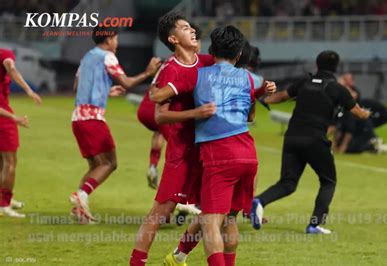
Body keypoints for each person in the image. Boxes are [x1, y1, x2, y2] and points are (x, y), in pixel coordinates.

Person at [130, 12, 217, 266]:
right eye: (184, 27)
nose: (192, 30)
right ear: (172, 38)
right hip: (182, 152)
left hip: (209, 150)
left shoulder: (208, 61)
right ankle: (136, 263)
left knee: (213, 210)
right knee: (161, 211)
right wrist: (196, 113)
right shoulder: (170, 69)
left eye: (191, 27)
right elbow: (160, 116)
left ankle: (179, 255)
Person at [251, 51, 370, 234]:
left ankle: (259, 201)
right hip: (315, 139)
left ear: (317, 64)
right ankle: (314, 224)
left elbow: (282, 96)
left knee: (288, 183)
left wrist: (264, 99)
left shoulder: (304, 82)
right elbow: (358, 113)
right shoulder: (337, 89)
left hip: (292, 137)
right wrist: (366, 113)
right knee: (328, 181)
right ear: (336, 67)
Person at [187, 25, 274, 266]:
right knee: (230, 220)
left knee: (210, 222)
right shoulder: (248, 77)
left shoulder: (199, 74)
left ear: (212, 50)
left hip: (220, 154)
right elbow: (250, 117)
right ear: (239, 56)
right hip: (248, 154)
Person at [70, 26, 161, 223]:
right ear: (109, 39)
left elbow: (77, 87)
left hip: (77, 118)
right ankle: (81, 195)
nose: (117, 43)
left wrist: (104, 91)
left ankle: (80, 208)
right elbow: (127, 83)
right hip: (93, 119)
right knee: (110, 163)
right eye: (116, 39)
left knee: (96, 166)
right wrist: (147, 73)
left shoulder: (87, 57)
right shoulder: (107, 56)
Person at [0, 48, 41, 218]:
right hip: (3, 118)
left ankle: (3, 199)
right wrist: (14, 118)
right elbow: (11, 67)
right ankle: (4, 204)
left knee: (2, 161)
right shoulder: (5, 53)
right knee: (10, 162)